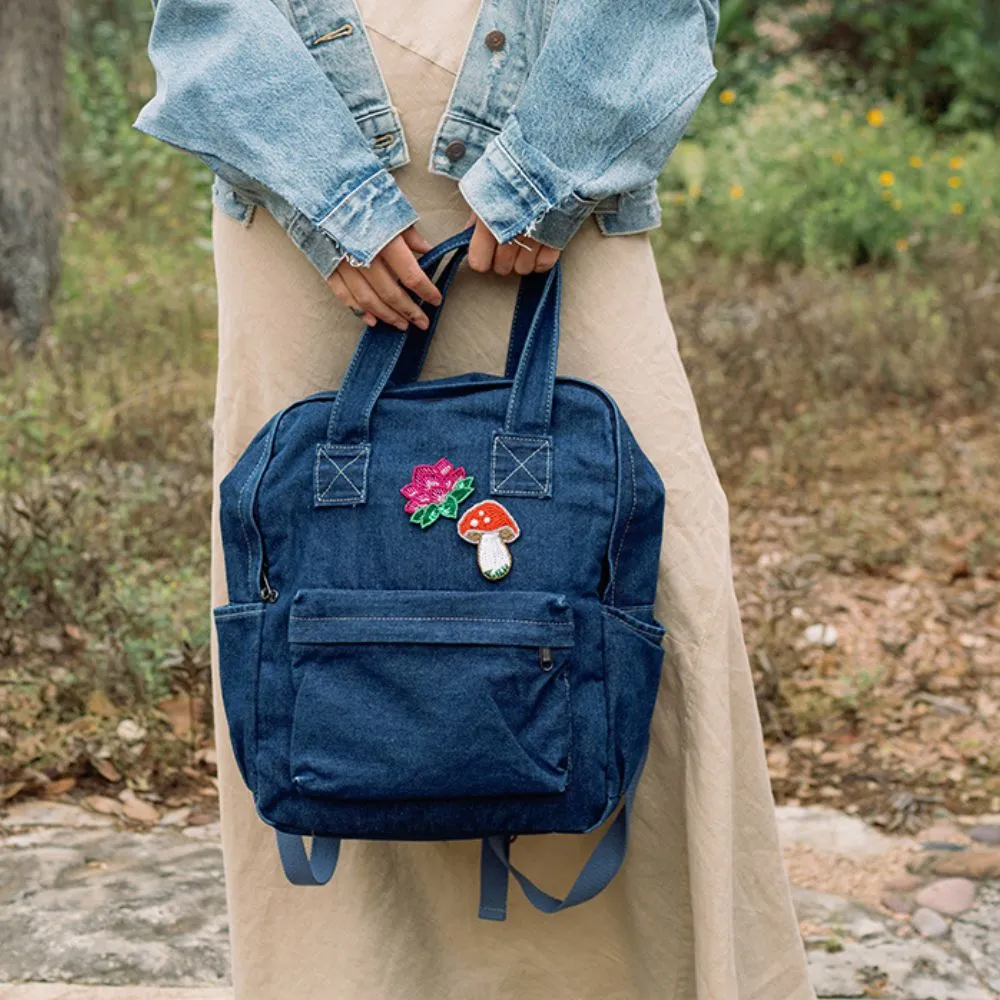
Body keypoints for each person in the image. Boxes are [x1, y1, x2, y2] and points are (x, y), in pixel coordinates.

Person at [135, 1, 816, 998]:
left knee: (644, 582)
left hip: (562, 152)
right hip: (297, 182)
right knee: (324, 588)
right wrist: (332, 204)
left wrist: (549, 169)